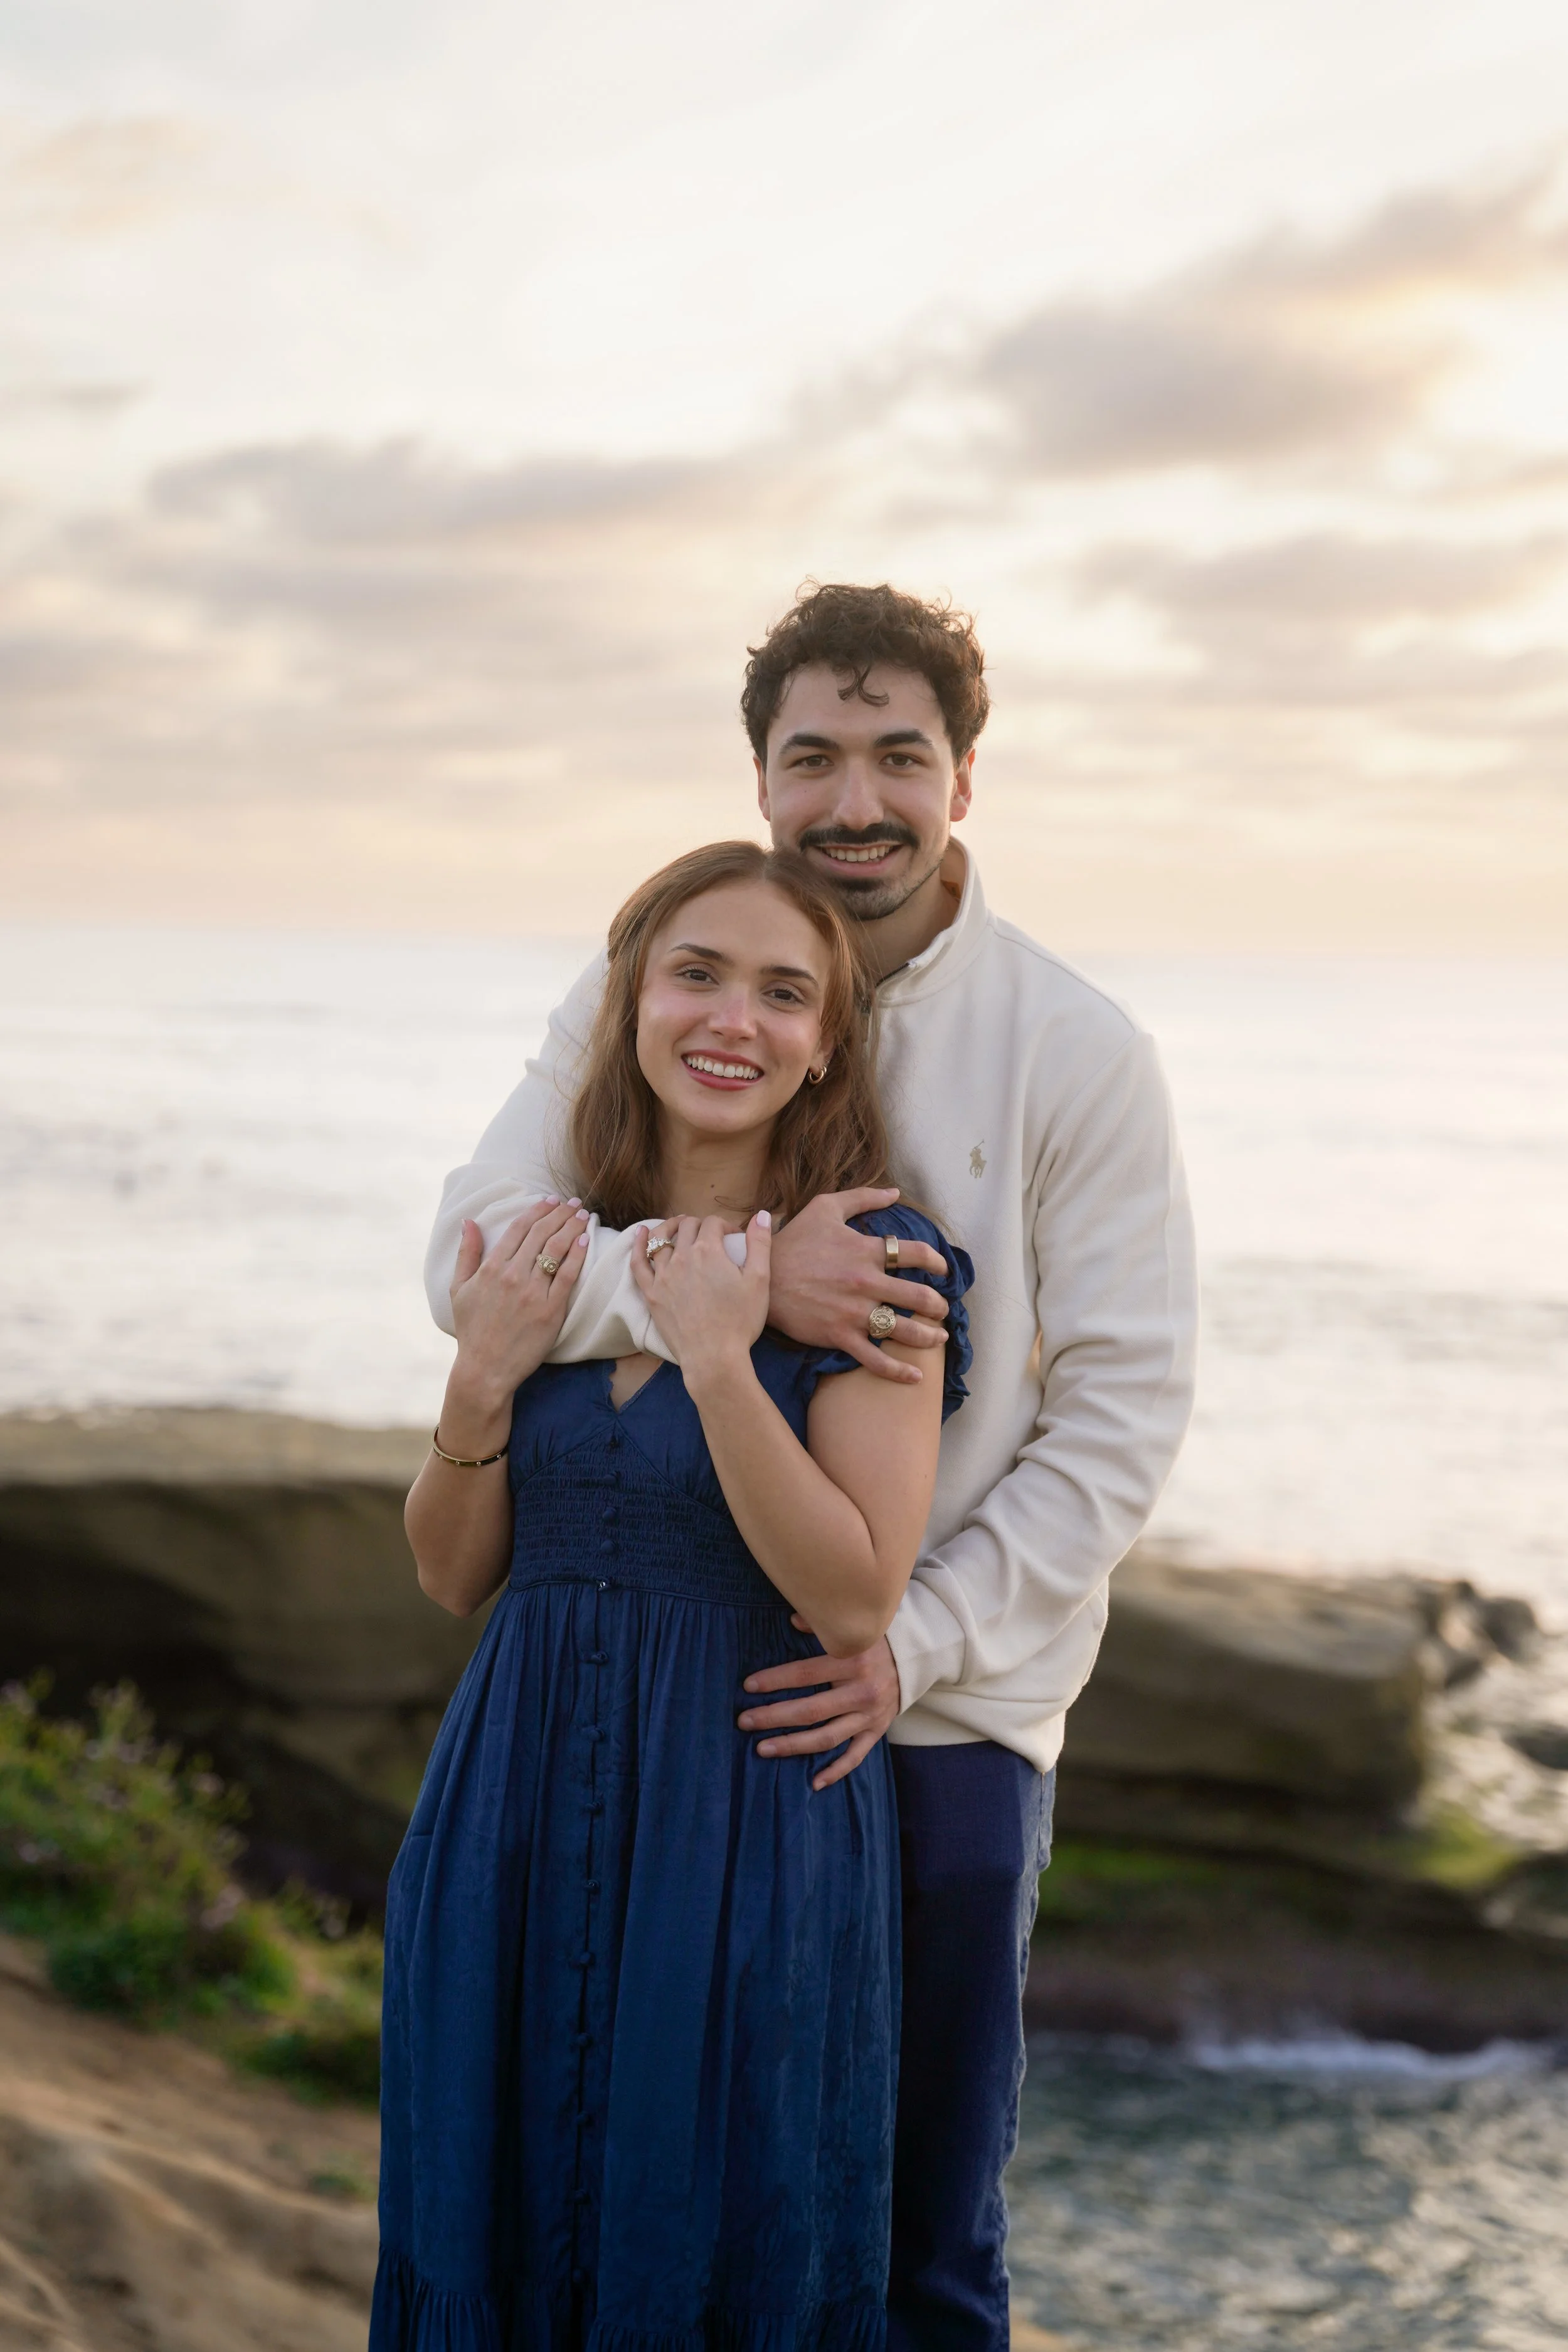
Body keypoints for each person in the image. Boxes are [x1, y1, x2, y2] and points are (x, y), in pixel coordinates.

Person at [424, 584, 1200, 2352]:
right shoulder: (671, 977)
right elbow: (464, 1251)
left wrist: (906, 1643)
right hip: (664, 1670)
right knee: (608, 2173)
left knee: (902, 2220)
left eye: (898, 756)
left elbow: (1117, 1417)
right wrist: (728, 1285)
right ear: (761, 775)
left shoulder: (1077, 1052)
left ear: (964, 779)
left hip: (937, 1708)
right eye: (812, 756)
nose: (855, 797)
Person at [376, 840, 974, 2351]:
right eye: (695, 974)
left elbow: (853, 1595)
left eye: (784, 994)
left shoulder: (877, 1265)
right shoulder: (550, 1247)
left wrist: (721, 1357)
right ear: (627, 1002)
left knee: (706, 2235)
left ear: (824, 1043)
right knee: (486, 2220)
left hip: (739, 1828)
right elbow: (452, 1574)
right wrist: (481, 1377)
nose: (733, 1020)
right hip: (508, 1803)